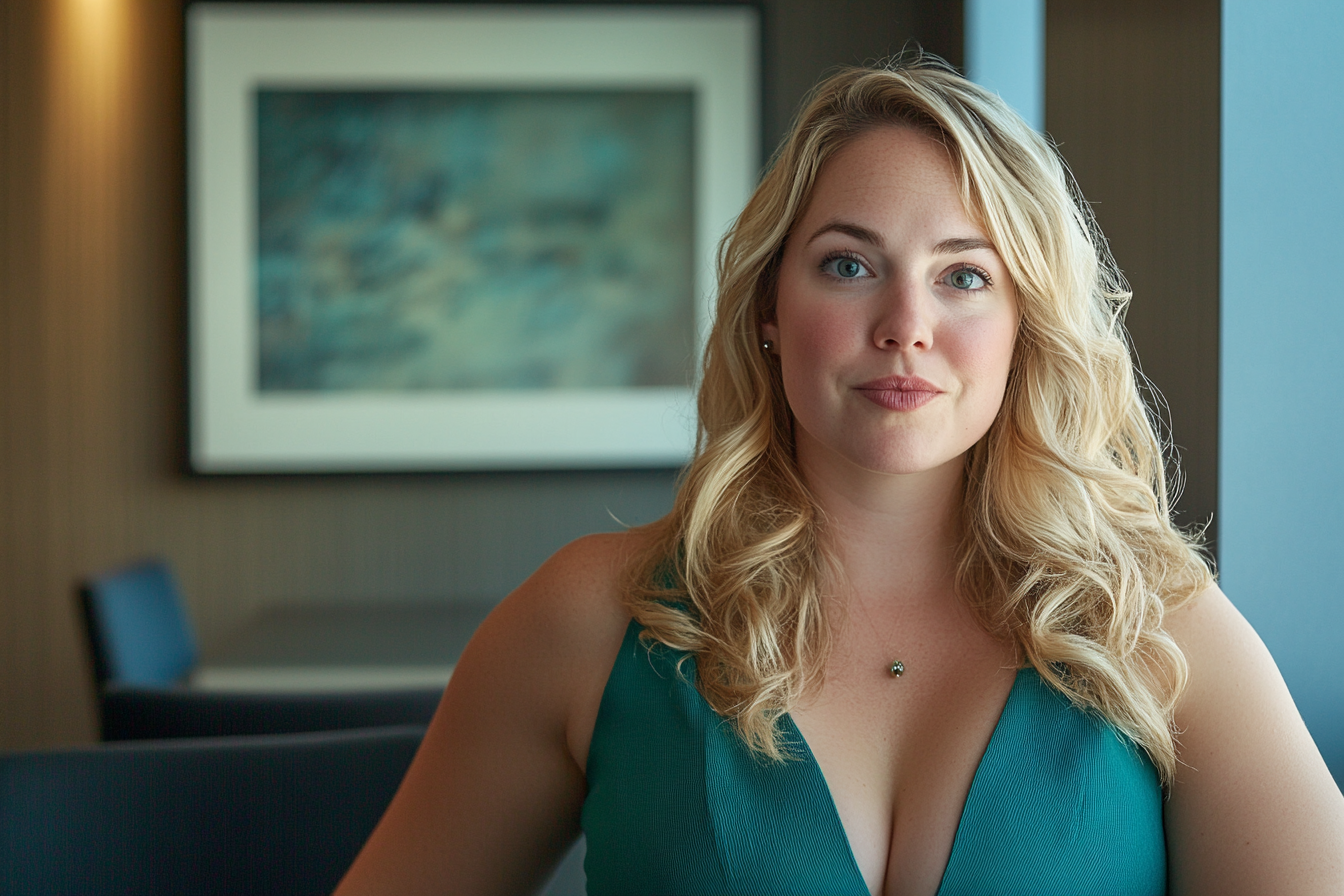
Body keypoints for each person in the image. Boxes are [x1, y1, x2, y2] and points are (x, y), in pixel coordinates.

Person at [335, 55, 1344, 896]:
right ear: (769, 309)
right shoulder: (590, 620)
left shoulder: (1158, 627)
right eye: (849, 264)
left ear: (1024, 325)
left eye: (964, 275)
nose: (906, 321)